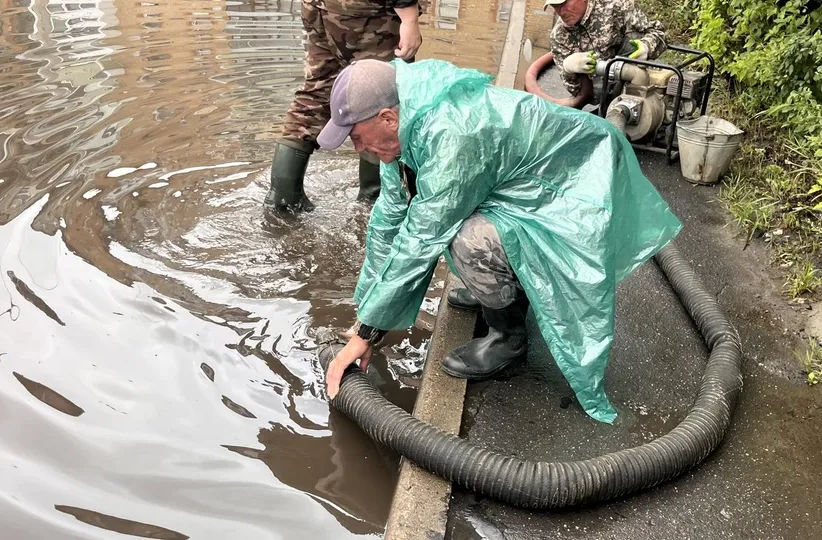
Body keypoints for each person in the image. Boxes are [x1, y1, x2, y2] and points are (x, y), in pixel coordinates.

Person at [317, 58, 682, 424]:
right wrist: (363, 315)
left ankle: (508, 339)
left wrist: (368, 335)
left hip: (577, 188)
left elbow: (421, 237)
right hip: (529, 187)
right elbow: (389, 218)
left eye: (357, 137)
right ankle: (500, 288)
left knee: (466, 239)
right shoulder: (407, 123)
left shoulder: (451, 133)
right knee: (449, 222)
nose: (358, 148)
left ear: (386, 118)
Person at [265, 0, 422, 211]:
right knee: (381, 94)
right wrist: (409, 15)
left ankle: (283, 196)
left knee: (316, 93)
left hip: (318, 6)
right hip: (366, 10)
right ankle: (375, 202)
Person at [545, 0, 666, 109]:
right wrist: (568, 70)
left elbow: (659, 32)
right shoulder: (559, 36)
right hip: (598, 95)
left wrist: (646, 46)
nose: (561, 12)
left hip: (635, 83)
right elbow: (576, 92)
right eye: (555, 6)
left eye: (563, 4)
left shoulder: (616, 5)